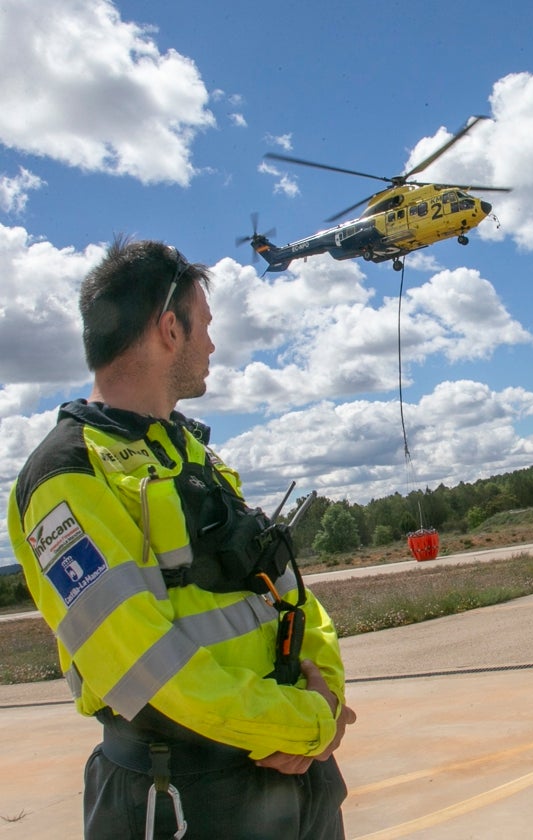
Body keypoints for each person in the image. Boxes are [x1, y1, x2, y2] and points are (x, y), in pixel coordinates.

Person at [7, 238, 356, 839]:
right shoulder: (65, 475)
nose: (213, 345)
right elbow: (142, 662)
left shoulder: (194, 454)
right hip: (180, 798)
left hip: (294, 777)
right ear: (170, 328)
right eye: (206, 327)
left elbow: (290, 596)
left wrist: (323, 702)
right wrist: (304, 722)